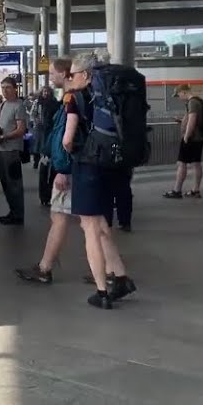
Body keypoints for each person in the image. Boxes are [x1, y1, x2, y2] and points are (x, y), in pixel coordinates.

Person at [63, 53, 136, 308]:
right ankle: (122, 276)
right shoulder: (110, 94)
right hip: (111, 165)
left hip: (88, 166)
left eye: (72, 74)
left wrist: (70, 152)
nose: (70, 79)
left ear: (84, 74)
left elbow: (68, 138)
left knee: (90, 229)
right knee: (102, 225)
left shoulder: (75, 98)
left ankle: (102, 291)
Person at [16, 58, 74, 283]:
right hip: (70, 167)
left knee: (61, 216)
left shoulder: (72, 100)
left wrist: (62, 167)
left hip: (67, 170)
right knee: (94, 223)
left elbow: (67, 139)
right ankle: (113, 272)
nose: (49, 77)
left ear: (67, 74)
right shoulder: (69, 100)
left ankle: (44, 268)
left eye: (52, 73)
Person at [0, 77, 28, 225]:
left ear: (15, 88)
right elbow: (1, 124)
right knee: (5, 182)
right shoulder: (3, 104)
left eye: (8, 87)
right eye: (2, 88)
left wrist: (4, 137)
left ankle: (18, 215)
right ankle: (12, 211)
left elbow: (21, 130)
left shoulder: (18, 106)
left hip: (12, 151)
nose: (5, 91)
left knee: (14, 183)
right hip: (1, 150)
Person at [164, 84, 203, 199]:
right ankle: (195, 190)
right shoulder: (198, 101)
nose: (179, 98)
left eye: (178, 95)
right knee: (196, 163)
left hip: (191, 138)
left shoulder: (192, 102)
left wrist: (186, 136)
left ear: (183, 92)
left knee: (182, 163)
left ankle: (177, 190)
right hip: (198, 137)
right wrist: (182, 121)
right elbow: (192, 119)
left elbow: (192, 120)